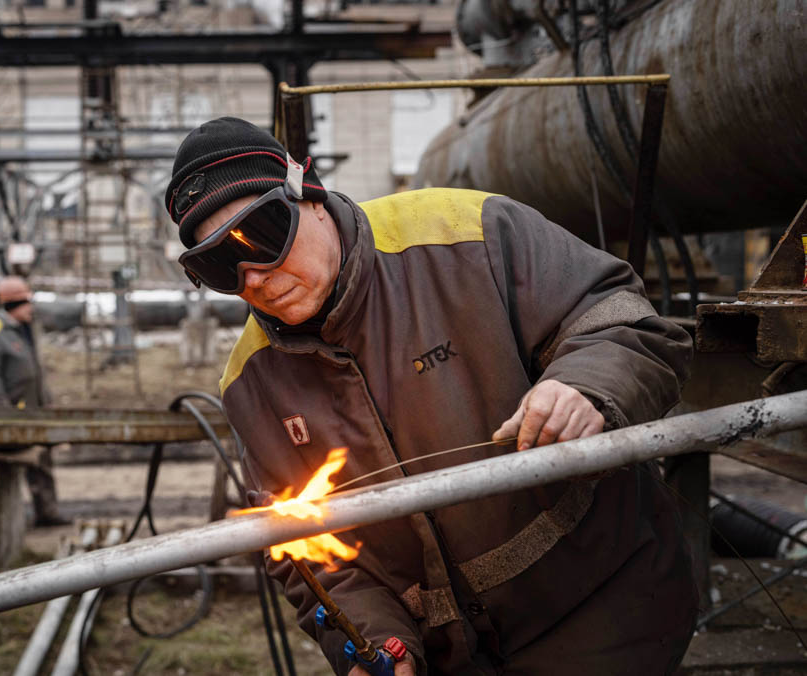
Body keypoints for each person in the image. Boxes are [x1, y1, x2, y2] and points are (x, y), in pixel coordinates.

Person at [165, 118, 698, 675]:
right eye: (220, 265)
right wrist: (378, 641)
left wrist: (585, 384)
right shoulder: (251, 383)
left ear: (311, 194)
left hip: (603, 613)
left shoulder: (470, 234)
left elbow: (628, 325)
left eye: (262, 236)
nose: (253, 277)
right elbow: (307, 551)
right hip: (447, 660)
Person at [0, 276, 68, 527]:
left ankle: (47, 513)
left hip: (36, 410)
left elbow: (36, 372)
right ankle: (19, 518)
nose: (31, 308)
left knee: (43, 463)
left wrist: (46, 401)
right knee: (23, 464)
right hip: (15, 413)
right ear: (12, 305)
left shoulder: (26, 329)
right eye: (26, 303)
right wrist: (4, 416)